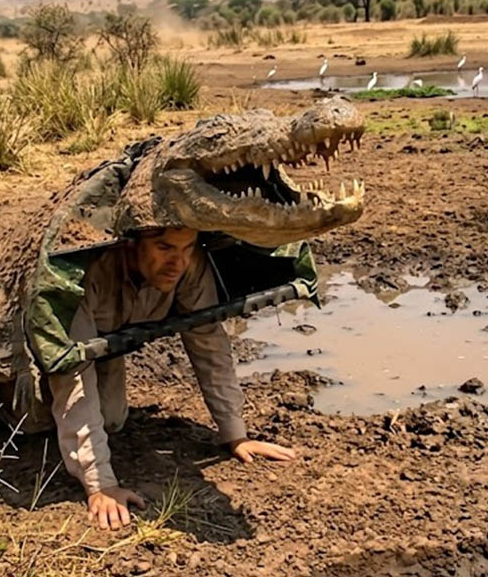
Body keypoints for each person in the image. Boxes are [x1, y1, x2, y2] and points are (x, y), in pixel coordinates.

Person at [40, 226, 297, 531]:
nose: (178, 262)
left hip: (102, 351)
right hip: (42, 349)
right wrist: (100, 485)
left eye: (186, 248)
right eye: (164, 248)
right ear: (129, 245)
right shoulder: (82, 273)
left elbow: (208, 343)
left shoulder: (188, 264)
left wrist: (235, 434)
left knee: (111, 420)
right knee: (32, 420)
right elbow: (72, 372)